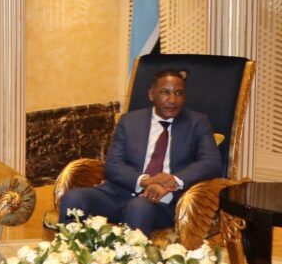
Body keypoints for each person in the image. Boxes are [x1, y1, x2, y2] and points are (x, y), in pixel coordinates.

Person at [58, 69, 221, 236]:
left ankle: (131, 262)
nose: (172, 100)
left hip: (161, 202)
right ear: (152, 94)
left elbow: (211, 162)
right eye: (165, 92)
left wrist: (172, 182)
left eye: (179, 93)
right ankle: (71, 257)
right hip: (117, 193)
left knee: (138, 207)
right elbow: (113, 165)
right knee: (73, 198)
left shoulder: (197, 122)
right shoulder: (129, 121)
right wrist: (146, 181)